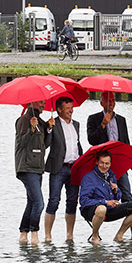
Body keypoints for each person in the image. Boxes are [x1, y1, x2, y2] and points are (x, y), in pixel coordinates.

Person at [87, 91, 132, 237]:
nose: (111, 103)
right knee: (98, 197)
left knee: (127, 196)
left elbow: (126, 143)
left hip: (120, 164)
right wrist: (103, 124)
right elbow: (92, 140)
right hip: (102, 166)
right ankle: (96, 233)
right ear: (101, 103)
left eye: (113, 100)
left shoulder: (121, 120)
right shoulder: (94, 119)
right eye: (108, 100)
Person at [78, 151, 132, 244]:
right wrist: (105, 202)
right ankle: (95, 236)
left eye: (107, 163)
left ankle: (119, 235)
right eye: (102, 163)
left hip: (109, 210)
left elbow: (117, 198)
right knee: (101, 209)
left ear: (110, 164)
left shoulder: (111, 175)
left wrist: (116, 190)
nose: (104, 166)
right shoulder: (88, 178)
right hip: (91, 211)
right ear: (97, 162)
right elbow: (83, 201)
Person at [44, 96, 83, 242]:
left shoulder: (76, 124)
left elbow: (77, 145)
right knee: (54, 201)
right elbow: (46, 144)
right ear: (59, 109)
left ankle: (69, 235)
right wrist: (49, 129)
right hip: (58, 168)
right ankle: (48, 235)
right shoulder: (53, 124)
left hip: (74, 168)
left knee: (72, 201)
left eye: (71, 108)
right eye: (67, 108)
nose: (71, 111)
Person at [15, 100, 54, 244]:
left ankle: (23, 233)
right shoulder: (23, 120)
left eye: (44, 102)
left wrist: (49, 129)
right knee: (39, 203)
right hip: (26, 167)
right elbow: (21, 143)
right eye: (41, 102)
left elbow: (45, 144)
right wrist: (31, 129)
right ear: (32, 102)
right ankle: (34, 233)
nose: (43, 105)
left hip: (38, 167)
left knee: (32, 201)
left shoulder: (41, 122)